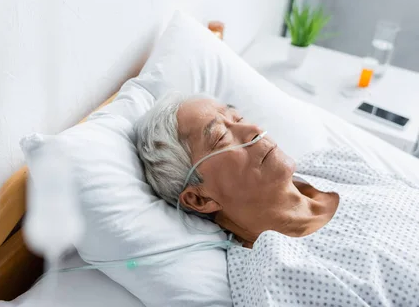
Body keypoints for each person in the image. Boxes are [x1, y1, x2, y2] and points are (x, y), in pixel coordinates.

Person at [135, 92, 419, 306]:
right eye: (221, 136)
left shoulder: (331, 165)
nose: (253, 130)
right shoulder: (278, 280)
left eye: (238, 118)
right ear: (199, 199)